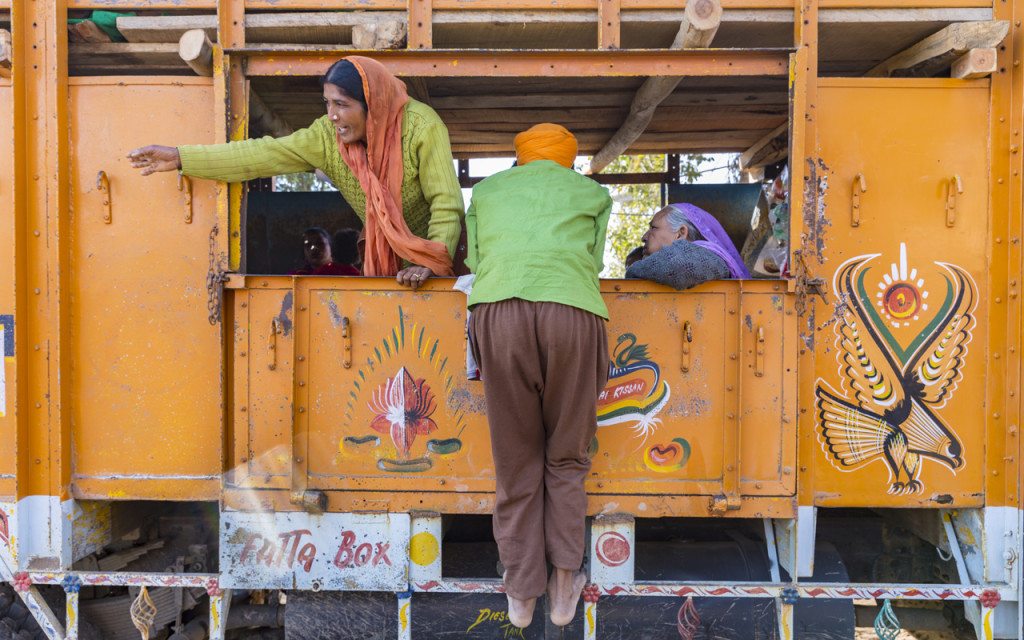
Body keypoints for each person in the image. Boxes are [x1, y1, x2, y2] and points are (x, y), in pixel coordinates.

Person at [127, 56, 463, 289]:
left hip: (436, 270)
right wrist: (182, 157)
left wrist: (429, 266)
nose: (331, 115)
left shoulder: (422, 127)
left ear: (373, 105)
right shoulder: (325, 137)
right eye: (327, 103)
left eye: (342, 105)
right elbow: (261, 154)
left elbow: (445, 204)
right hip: (382, 270)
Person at [465, 123, 611, 629]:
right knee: (566, 457)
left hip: (498, 313)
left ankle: (522, 591)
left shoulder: (486, 191)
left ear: (520, 158)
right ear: (568, 162)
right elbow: (590, 262)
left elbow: (476, 261)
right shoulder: (591, 193)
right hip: (572, 313)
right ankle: (565, 582)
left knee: (516, 458)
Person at [625, 202, 750, 289]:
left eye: (653, 228)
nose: (644, 237)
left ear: (681, 233)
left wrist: (633, 270)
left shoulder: (710, 257)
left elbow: (680, 265)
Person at [290, 227, 359, 276]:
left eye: (320, 243)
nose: (313, 248)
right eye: (308, 245)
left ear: (331, 246)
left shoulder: (351, 273)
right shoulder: (295, 277)